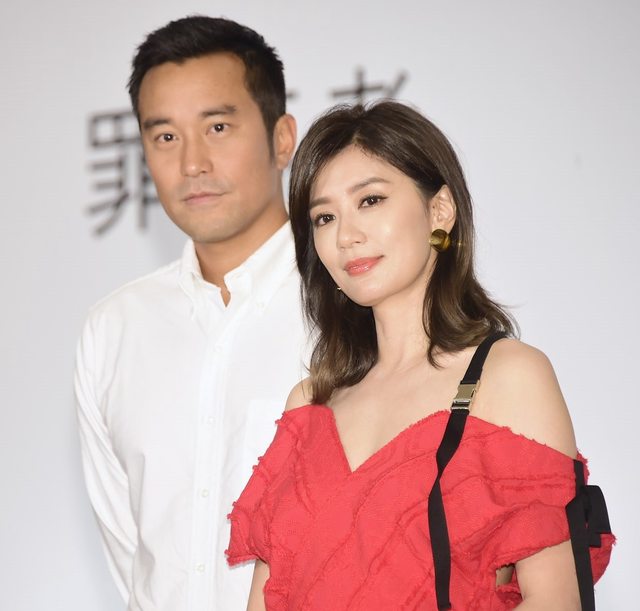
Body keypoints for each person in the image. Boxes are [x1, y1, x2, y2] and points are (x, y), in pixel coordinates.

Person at [226, 101, 613, 610]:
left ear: (440, 210)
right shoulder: (310, 403)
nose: (346, 235)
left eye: (370, 200)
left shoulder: (507, 376)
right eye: (324, 217)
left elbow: (556, 601)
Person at [75, 16, 308, 611]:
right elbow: (133, 558)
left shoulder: (350, 308)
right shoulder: (115, 329)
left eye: (218, 127)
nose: (192, 164)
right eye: (165, 137)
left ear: (282, 139)